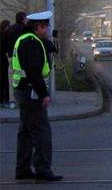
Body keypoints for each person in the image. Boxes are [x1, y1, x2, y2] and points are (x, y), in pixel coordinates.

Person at [12, 11, 62, 181]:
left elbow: (49, 47)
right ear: (38, 27)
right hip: (30, 92)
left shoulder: (27, 39)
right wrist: (44, 94)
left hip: (23, 90)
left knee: (25, 131)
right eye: (46, 27)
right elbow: (34, 72)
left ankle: (23, 169)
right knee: (42, 131)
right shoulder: (32, 43)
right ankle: (42, 169)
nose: (47, 30)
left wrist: (50, 41)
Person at [0, 19, 10, 106]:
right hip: (4, 60)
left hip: (2, 60)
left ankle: (2, 99)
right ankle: (6, 99)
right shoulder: (5, 36)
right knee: (5, 80)